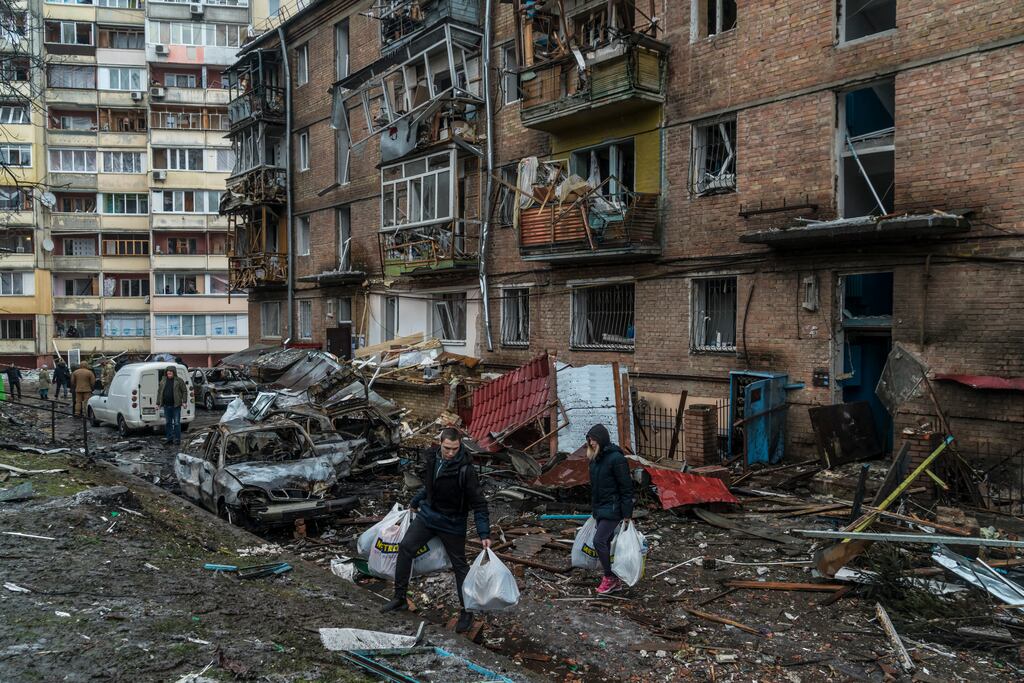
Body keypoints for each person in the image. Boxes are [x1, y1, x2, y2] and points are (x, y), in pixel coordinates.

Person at [382, 427, 491, 633]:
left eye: (455, 449)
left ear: (460, 445)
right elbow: (430, 486)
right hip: (428, 516)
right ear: (440, 443)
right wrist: (415, 502)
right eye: (447, 448)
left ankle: (466, 611)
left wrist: (484, 533)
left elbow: (479, 502)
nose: (451, 453)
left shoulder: (466, 470)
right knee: (405, 547)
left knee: (460, 566)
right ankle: (399, 598)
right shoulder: (433, 459)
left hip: (453, 522)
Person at [585, 424, 634, 595]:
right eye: (589, 439)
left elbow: (626, 487)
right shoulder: (595, 460)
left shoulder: (616, 459)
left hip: (613, 508)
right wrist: (595, 509)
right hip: (601, 508)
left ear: (600, 439)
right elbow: (596, 488)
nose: (590, 442)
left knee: (599, 541)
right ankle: (616, 581)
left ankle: (609, 577)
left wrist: (627, 513)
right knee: (605, 542)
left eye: (592, 439)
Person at [158, 366, 187, 445]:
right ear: (166, 372)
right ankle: (169, 439)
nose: (169, 372)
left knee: (177, 423)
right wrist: (158, 403)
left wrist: (184, 401)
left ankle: (177, 440)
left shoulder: (179, 380)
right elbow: (159, 392)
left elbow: (184, 391)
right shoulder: (163, 381)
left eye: (171, 371)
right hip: (166, 406)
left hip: (176, 406)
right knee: (168, 423)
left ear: (174, 372)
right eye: (168, 371)